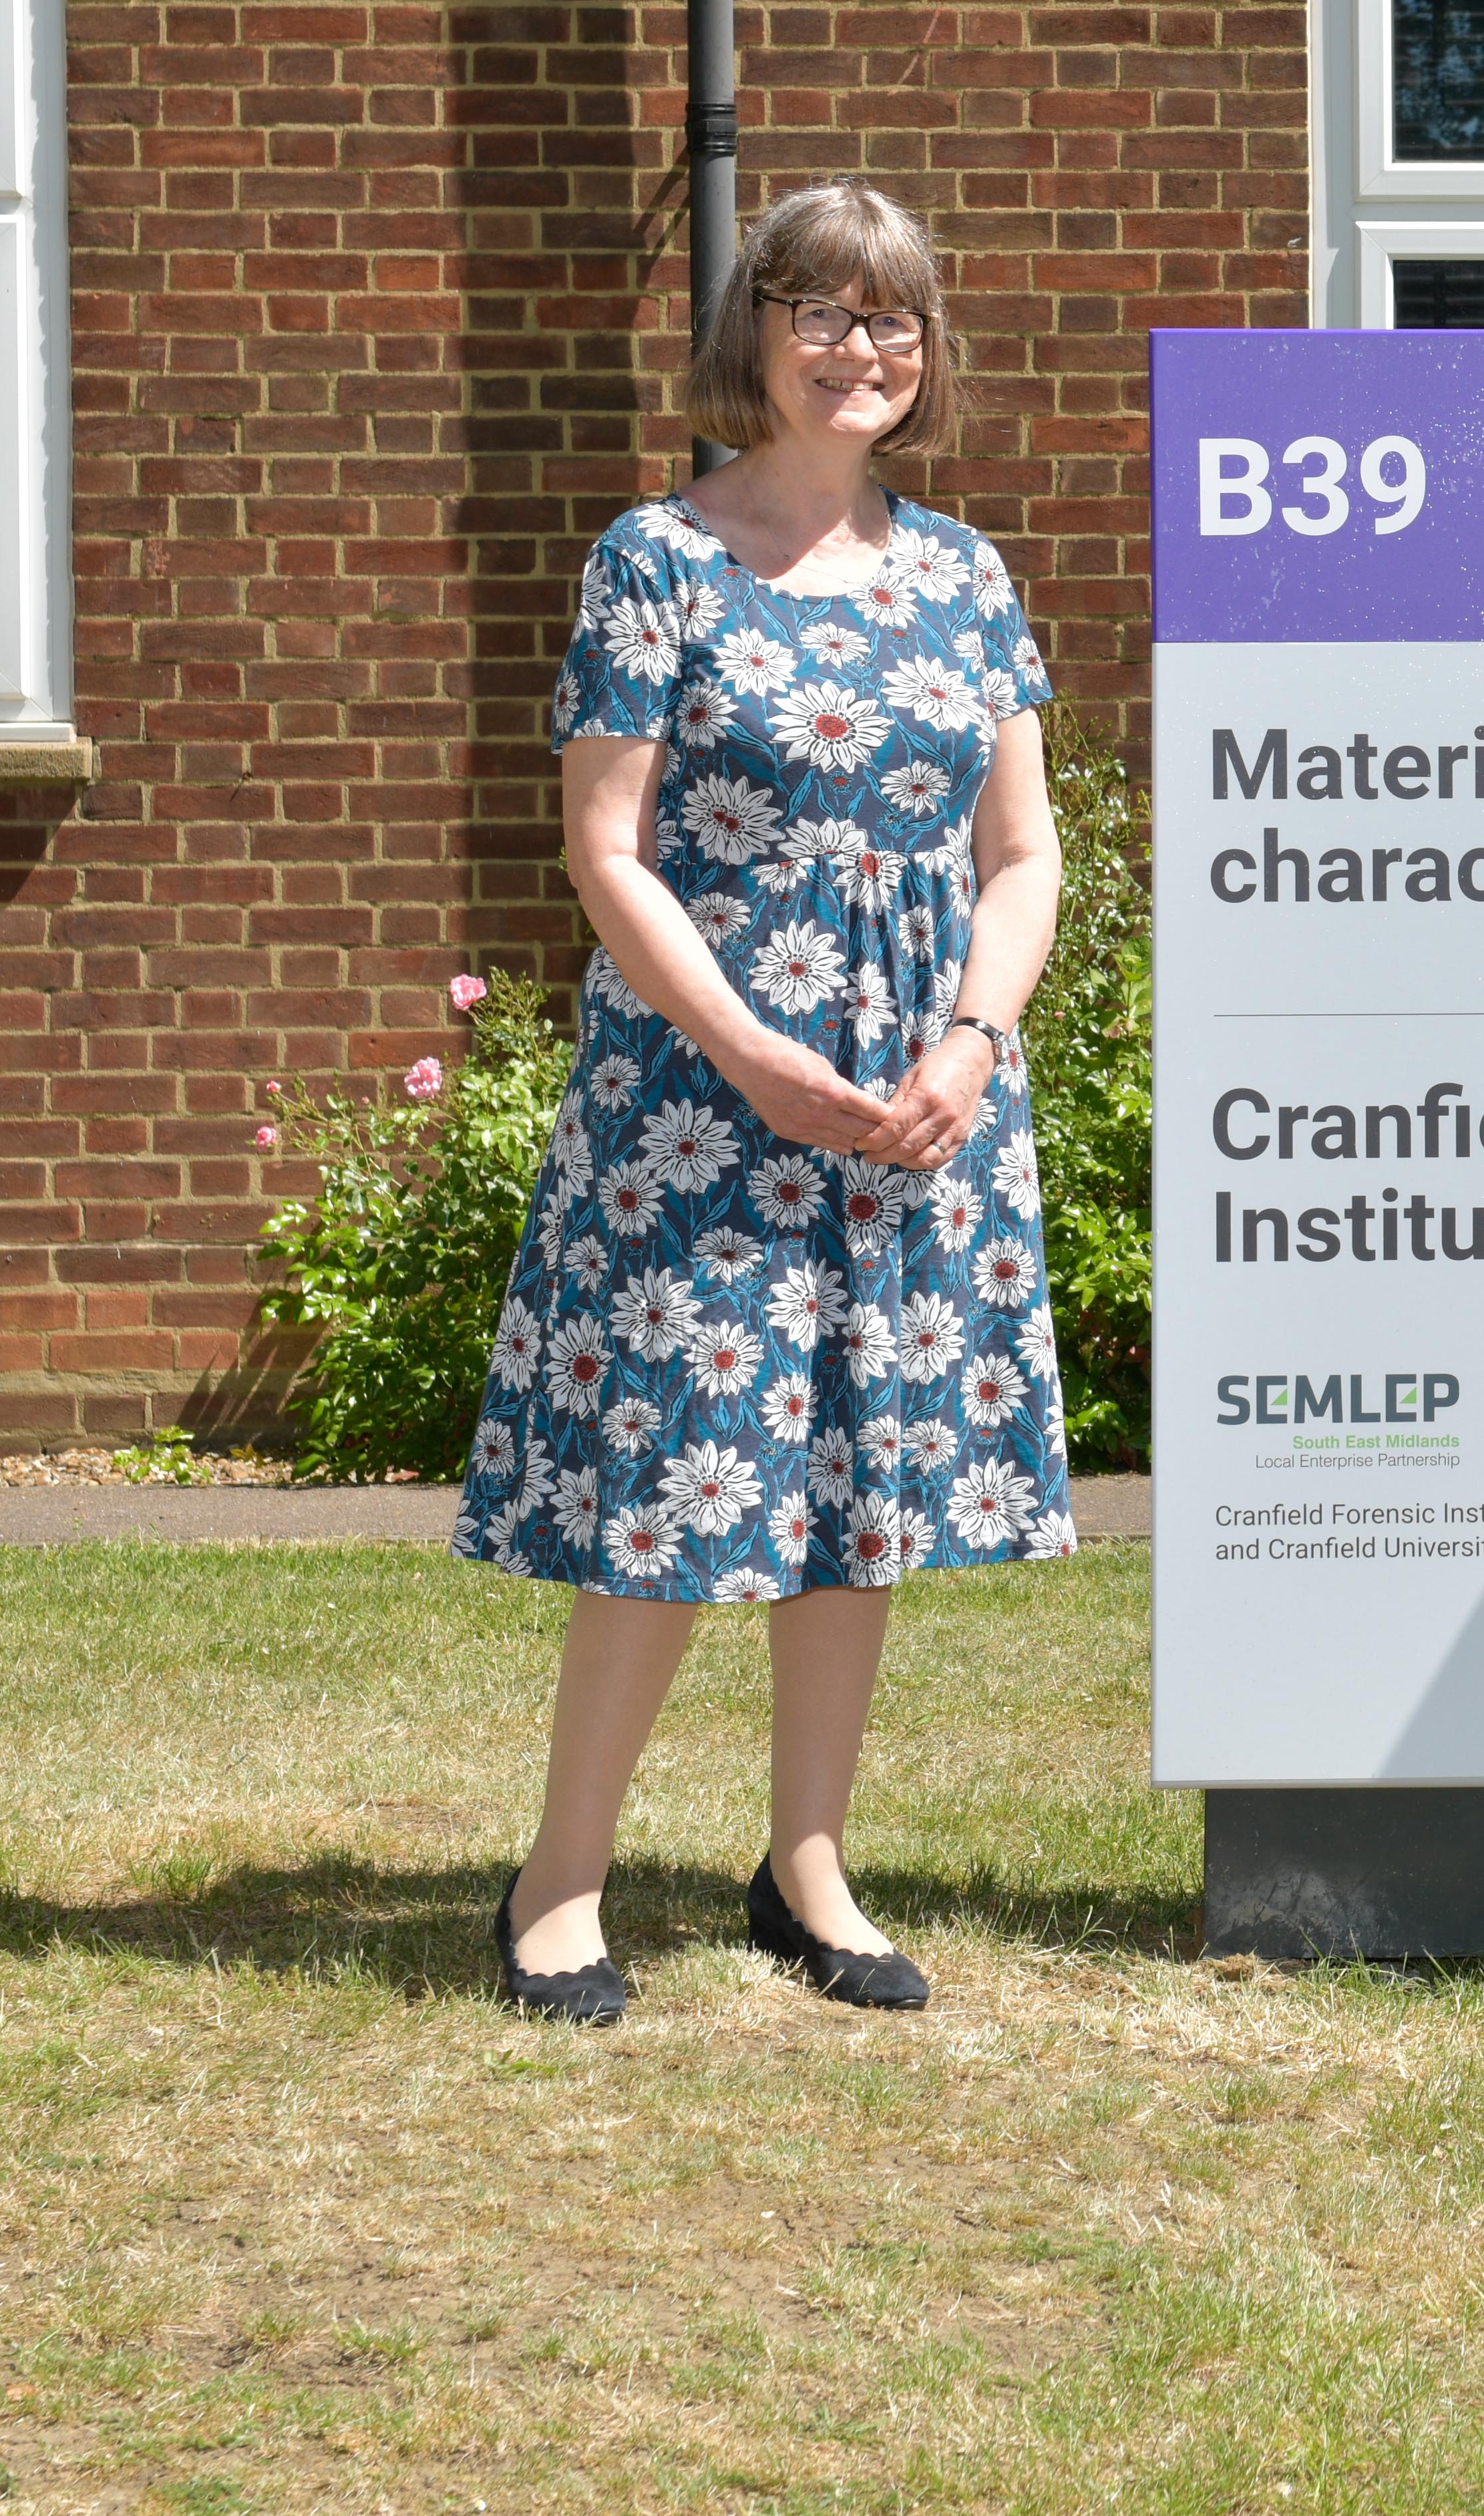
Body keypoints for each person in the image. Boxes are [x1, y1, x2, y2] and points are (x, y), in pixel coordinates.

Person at [459, 177, 1078, 2025]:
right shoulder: (657, 556)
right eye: (820, 310)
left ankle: (808, 1862)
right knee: (669, 1481)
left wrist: (969, 1041)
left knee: (860, 1474)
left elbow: (1024, 852)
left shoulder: (965, 574)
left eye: (891, 318)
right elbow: (606, 843)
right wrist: (747, 1052)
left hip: (915, 1087)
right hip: (705, 1082)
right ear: (757, 335)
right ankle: (560, 1877)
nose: (857, 347)